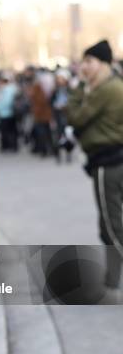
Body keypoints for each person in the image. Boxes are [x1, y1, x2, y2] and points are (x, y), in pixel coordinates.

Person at [66, 40, 123, 304]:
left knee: (112, 226)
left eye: (89, 62)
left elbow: (75, 117)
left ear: (102, 64)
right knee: (108, 224)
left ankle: (112, 280)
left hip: (108, 164)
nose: (84, 67)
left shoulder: (107, 89)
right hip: (110, 161)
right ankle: (112, 281)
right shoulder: (111, 85)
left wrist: (78, 87)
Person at [0, 71, 18, 151]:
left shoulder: (6, 90)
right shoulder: (14, 88)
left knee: (5, 131)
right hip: (12, 113)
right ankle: (13, 146)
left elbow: (5, 102)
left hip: (5, 113)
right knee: (12, 130)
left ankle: (6, 146)